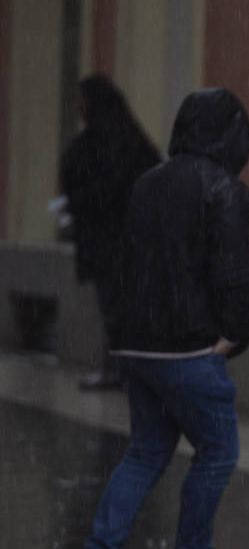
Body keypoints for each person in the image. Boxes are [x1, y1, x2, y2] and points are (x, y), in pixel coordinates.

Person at [66, 88, 249, 549]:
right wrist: (236, 333)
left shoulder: (147, 182)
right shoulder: (225, 190)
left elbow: (125, 259)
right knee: (218, 452)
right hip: (189, 347)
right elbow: (234, 274)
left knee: (147, 450)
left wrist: (124, 337)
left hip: (136, 345)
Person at [59, 74, 161, 391]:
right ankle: (125, 370)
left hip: (116, 242)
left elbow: (110, 186)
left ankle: (123, 370)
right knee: (118, 308)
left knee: (117, 308)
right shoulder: (119, 139)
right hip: (120, 241)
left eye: (83, 100)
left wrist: (77, 201)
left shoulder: (114, 142)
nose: (79, 107)